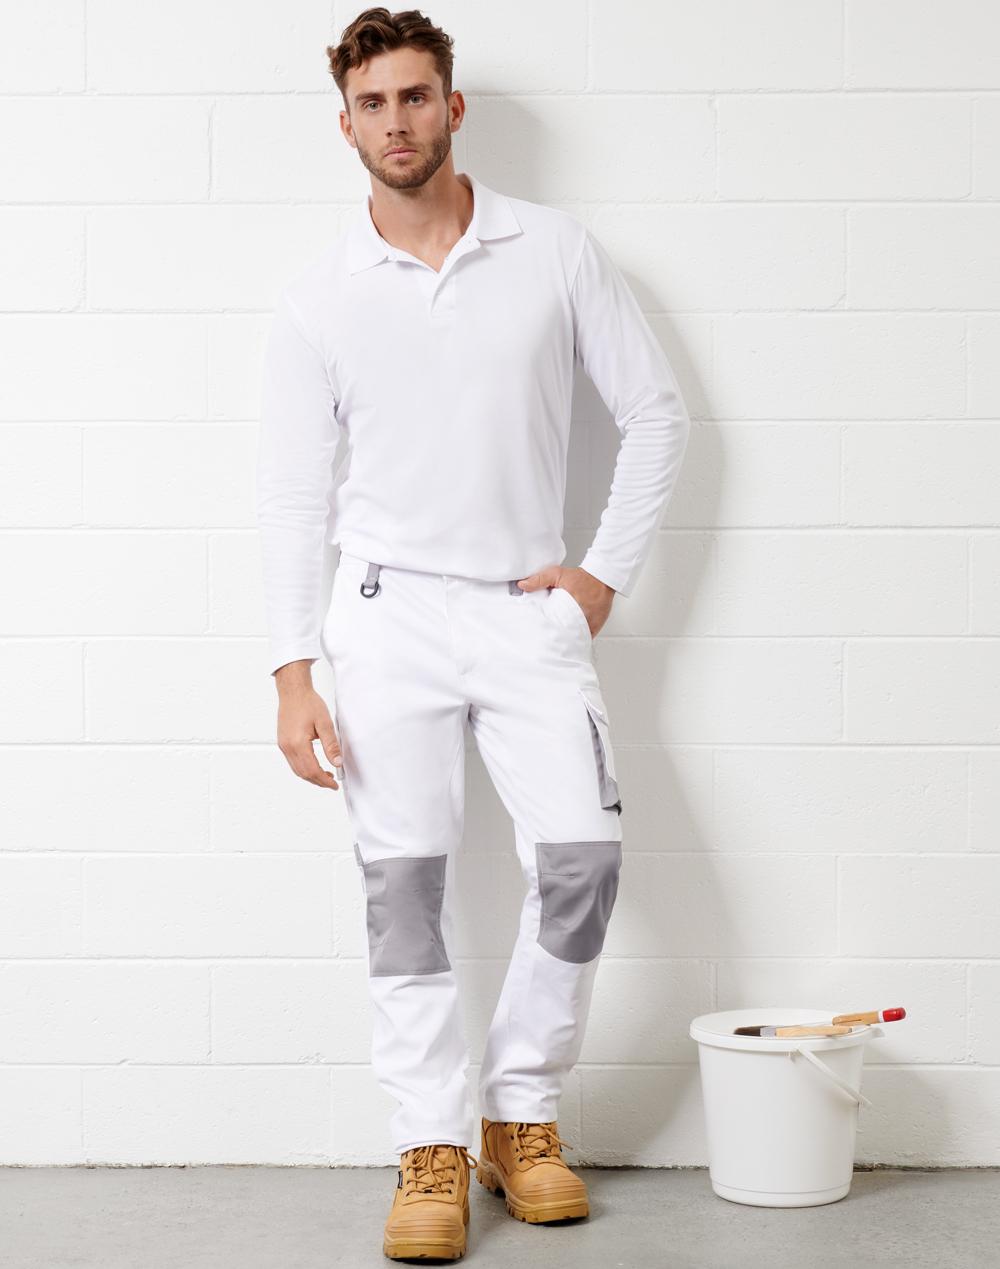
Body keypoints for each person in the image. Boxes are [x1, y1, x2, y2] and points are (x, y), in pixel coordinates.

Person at [256, 7, 691, 1261]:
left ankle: (519, 1112)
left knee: (584, 863)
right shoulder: (318, 299)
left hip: (524, 614)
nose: (396, 121)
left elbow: (655, 415)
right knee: (405, 891)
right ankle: (430, 1144)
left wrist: (597, 579)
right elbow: (292, 498)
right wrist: (292, 671)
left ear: (453, 107)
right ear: (346, 125)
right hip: (383, 620)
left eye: (415, 96)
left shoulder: (553, 251)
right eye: (373, 104)